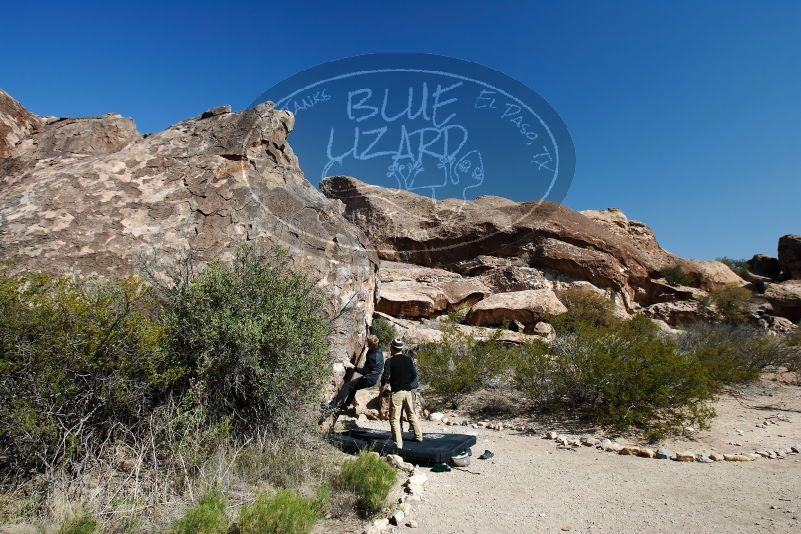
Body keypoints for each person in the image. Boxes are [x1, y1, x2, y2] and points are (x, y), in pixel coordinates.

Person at [381, 338, 423, 448]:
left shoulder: (389, 361)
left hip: (397, 393)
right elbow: (414, 375)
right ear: (401, 348)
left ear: (392, 348)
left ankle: (398, 444)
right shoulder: (408, 360)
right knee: (411, 414)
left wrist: (382, 386)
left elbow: (385, 376)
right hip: (408, 391)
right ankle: (419, 436)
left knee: (394, 419)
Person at [330, 334, 384, 410]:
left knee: (348, 386)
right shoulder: (378, 347)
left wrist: (351, 366)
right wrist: (370, 325)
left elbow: (364, 371)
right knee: (354, 387)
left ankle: (336, 405)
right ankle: (346, 405)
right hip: (373, 378)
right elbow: (374, 338)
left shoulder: (373, 357)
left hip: (369, 379)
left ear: (369, 344)